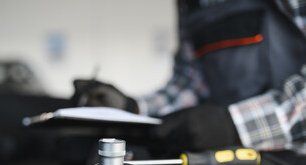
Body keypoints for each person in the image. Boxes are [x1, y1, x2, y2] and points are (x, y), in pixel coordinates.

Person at [72, 0, 306, 156]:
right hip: (226, 156)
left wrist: (233, 124)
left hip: (293, 162)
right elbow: (191, 83)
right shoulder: (189, 4)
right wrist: (133, 107)